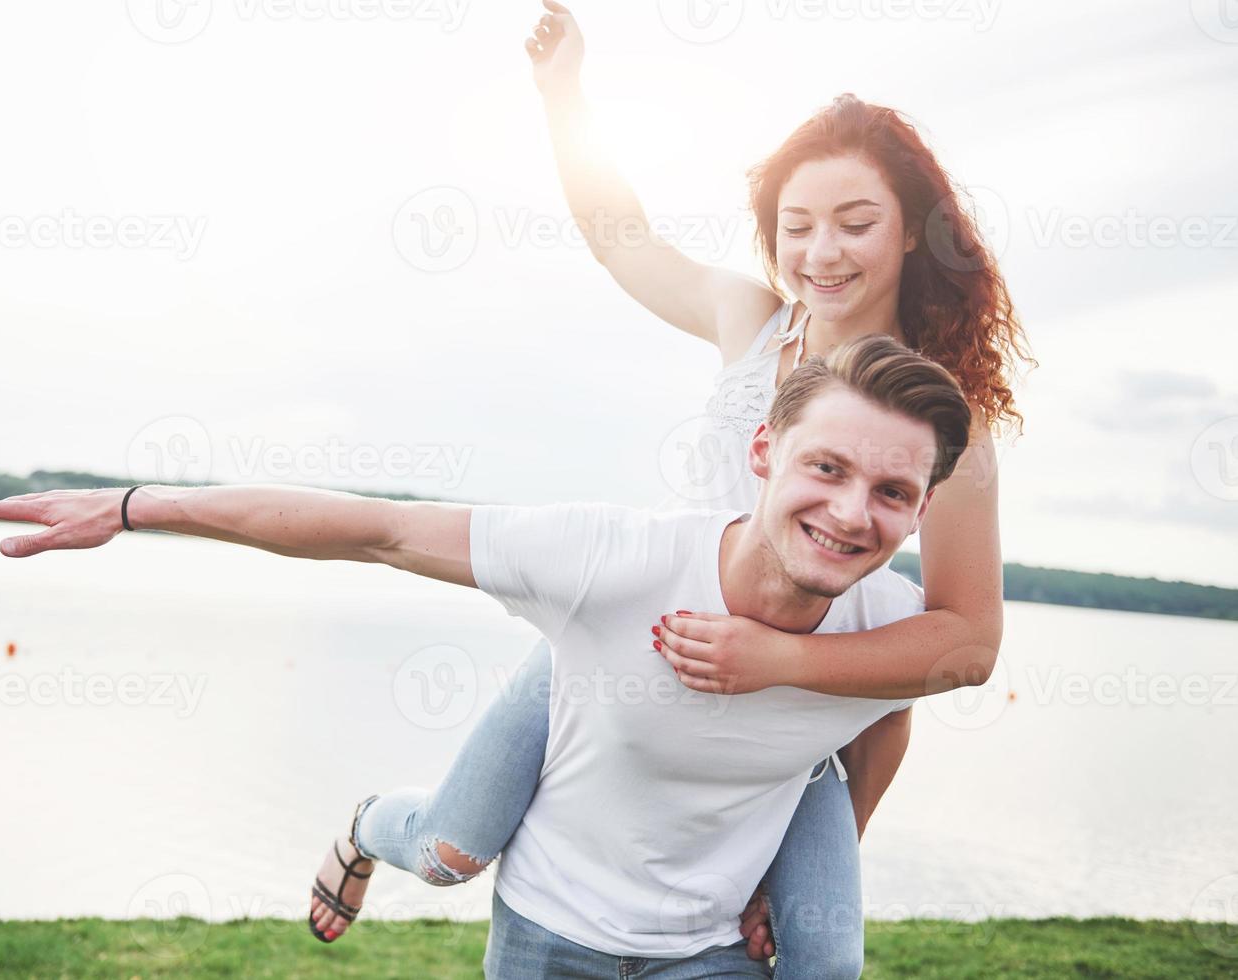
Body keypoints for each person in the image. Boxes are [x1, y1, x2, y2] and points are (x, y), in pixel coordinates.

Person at [305, 4, 1034, 974]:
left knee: (820, 958)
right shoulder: (750, 320)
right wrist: (562, 95)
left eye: (854, 224)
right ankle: (364, 823)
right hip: (629, 640)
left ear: (909, 232)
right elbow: (621, 239)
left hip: (796, 705)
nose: (821, 253)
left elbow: (963, 637)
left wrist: (772, 659)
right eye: (796, 226)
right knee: (450, 846)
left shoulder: (944, 423)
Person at [0, 334, 971, 976]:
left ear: (921, 506)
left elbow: (888, 709)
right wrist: (133, 506)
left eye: (888, 492)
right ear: (761, 453)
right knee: (445, 850)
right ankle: (364, 825)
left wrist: (795, 885)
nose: (849, 513)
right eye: (823, 468)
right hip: (549, 928)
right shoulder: (613, 559)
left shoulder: (893, 627)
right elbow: (372, 528)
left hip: (705, 952)